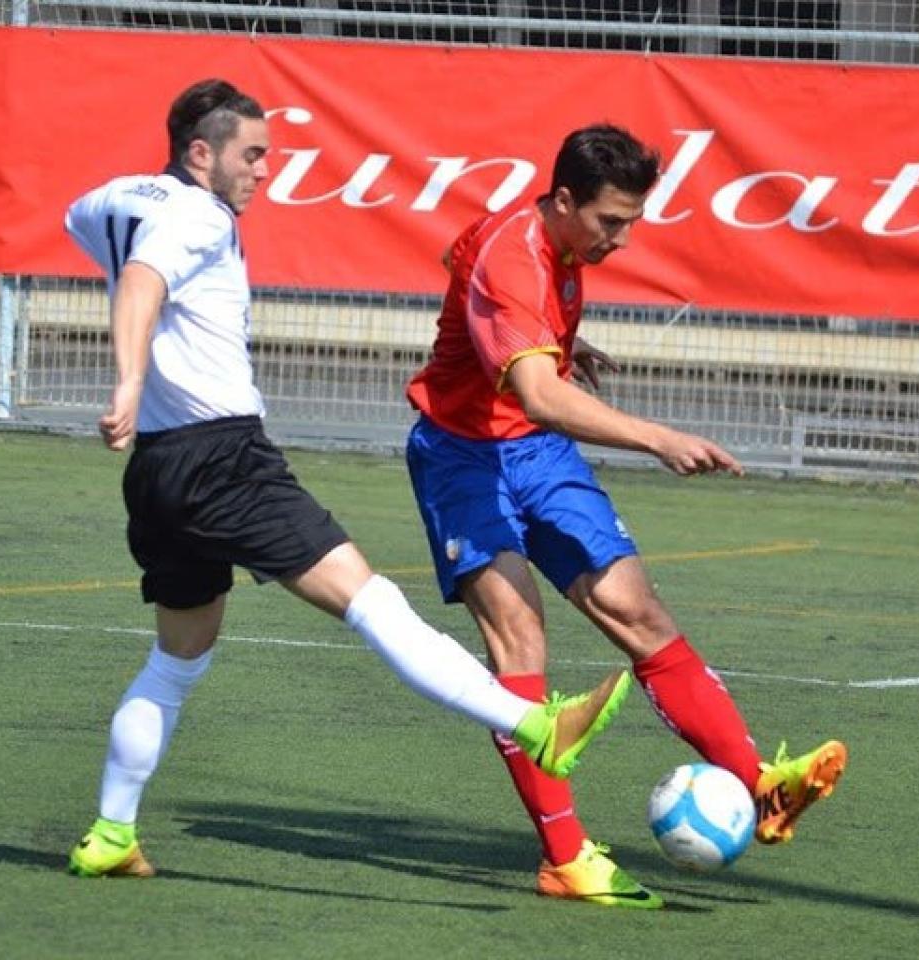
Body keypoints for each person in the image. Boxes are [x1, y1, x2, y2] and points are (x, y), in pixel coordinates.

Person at [60, 79, 633, 879]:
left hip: (156, 470)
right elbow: (142, 282)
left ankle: (110, 835)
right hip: (223, 458)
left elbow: (88, 224)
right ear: (200, 154)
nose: (264, 171)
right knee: (373, 602)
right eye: (251, 155)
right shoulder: (195, 215)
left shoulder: (116, 199)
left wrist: (137, 380)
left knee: (176, 661)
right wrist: (127, 379)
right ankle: (533, 725)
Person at [403, 123, 848, 909]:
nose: (625, 238)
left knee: (635, 609)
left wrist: (549, 342)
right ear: (564, 200)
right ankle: (566, 858)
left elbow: (460, 271)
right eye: (613, 221)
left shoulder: (552, 245)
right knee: (520, 636)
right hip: (461, 455)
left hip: (533, 451)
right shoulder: (514, 256)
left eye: (635, 221)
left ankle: (761, 788)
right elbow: (537, 390)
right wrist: (657, 437)